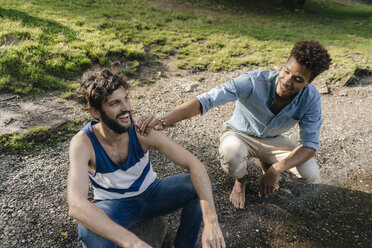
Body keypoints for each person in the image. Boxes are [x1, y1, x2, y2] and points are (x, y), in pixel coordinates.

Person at [136, 40, 332, 209]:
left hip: (273, 140)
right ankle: (241, 180)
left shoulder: (311, 98)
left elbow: (310, 144)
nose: (287, 81)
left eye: (298, 79)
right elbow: (206, 100)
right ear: (283, 66)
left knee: (310, 174)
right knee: (231, 153)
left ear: (309, 81)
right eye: (286, 71)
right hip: (239, 134)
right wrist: (163, 120)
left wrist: (277, 169)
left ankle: (267, 164)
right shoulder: (253, 81)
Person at [67, 68, 225, 248]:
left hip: (153, 193)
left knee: (199, 186)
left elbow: (195, 165)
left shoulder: (141, 130)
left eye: (126, 98)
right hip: (114, 206)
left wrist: (211, 222)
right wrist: (133, 243)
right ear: (95, 112)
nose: (126, 108)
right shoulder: (83, 143)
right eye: (115, 103)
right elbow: (76, 204)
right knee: (88, 231)